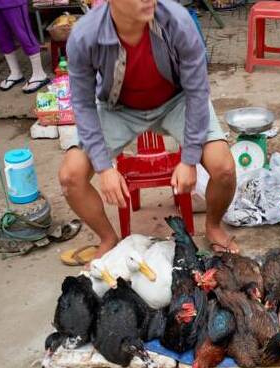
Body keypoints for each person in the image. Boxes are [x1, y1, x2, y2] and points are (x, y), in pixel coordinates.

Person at [58, 0, 237, 263]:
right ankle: (108, 238)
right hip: (116, 108)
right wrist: (105, 167)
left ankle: (213, 226)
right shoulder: (85, 35)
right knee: (70, 176)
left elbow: (198, 92)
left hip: (177, 101)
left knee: (224, 167)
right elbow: (83, 105)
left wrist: (189, 159)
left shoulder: (178, 22)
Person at [0, 0, 51, 93]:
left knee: (23, 34)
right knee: (1, 36)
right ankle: (15, 72)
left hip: (12, 2)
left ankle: (39, 73)